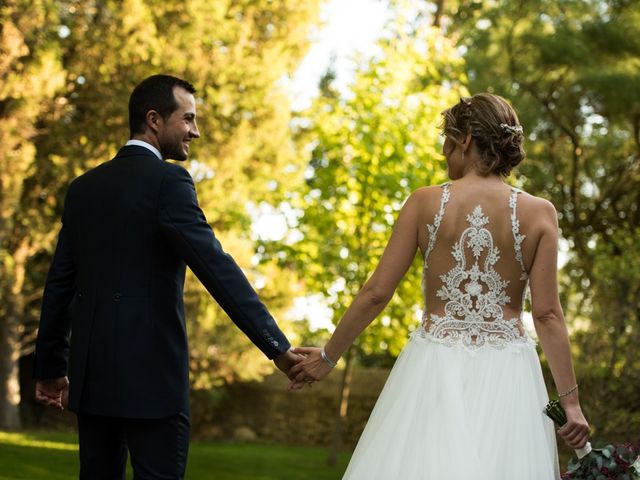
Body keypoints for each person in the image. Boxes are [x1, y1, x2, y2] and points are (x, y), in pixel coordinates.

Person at [290, 93, 590, 479]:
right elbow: (547, 315)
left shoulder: (424, 203)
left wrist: (329, 357)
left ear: (465, 140)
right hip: (509, 373)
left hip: (433, 365)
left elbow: (376, 292)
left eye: (447, 141)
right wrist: (572, 404)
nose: (444, 153)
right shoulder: (539, 213)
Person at [33, 74, 301, 479]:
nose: (196, 131)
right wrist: (276, 347)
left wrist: (50, 368)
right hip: (153, 383)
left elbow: (59, 285)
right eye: (188, 119)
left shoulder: (84, 188)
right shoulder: (169, 181)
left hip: (94, 382)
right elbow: (216, 268)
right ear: (154, 119)